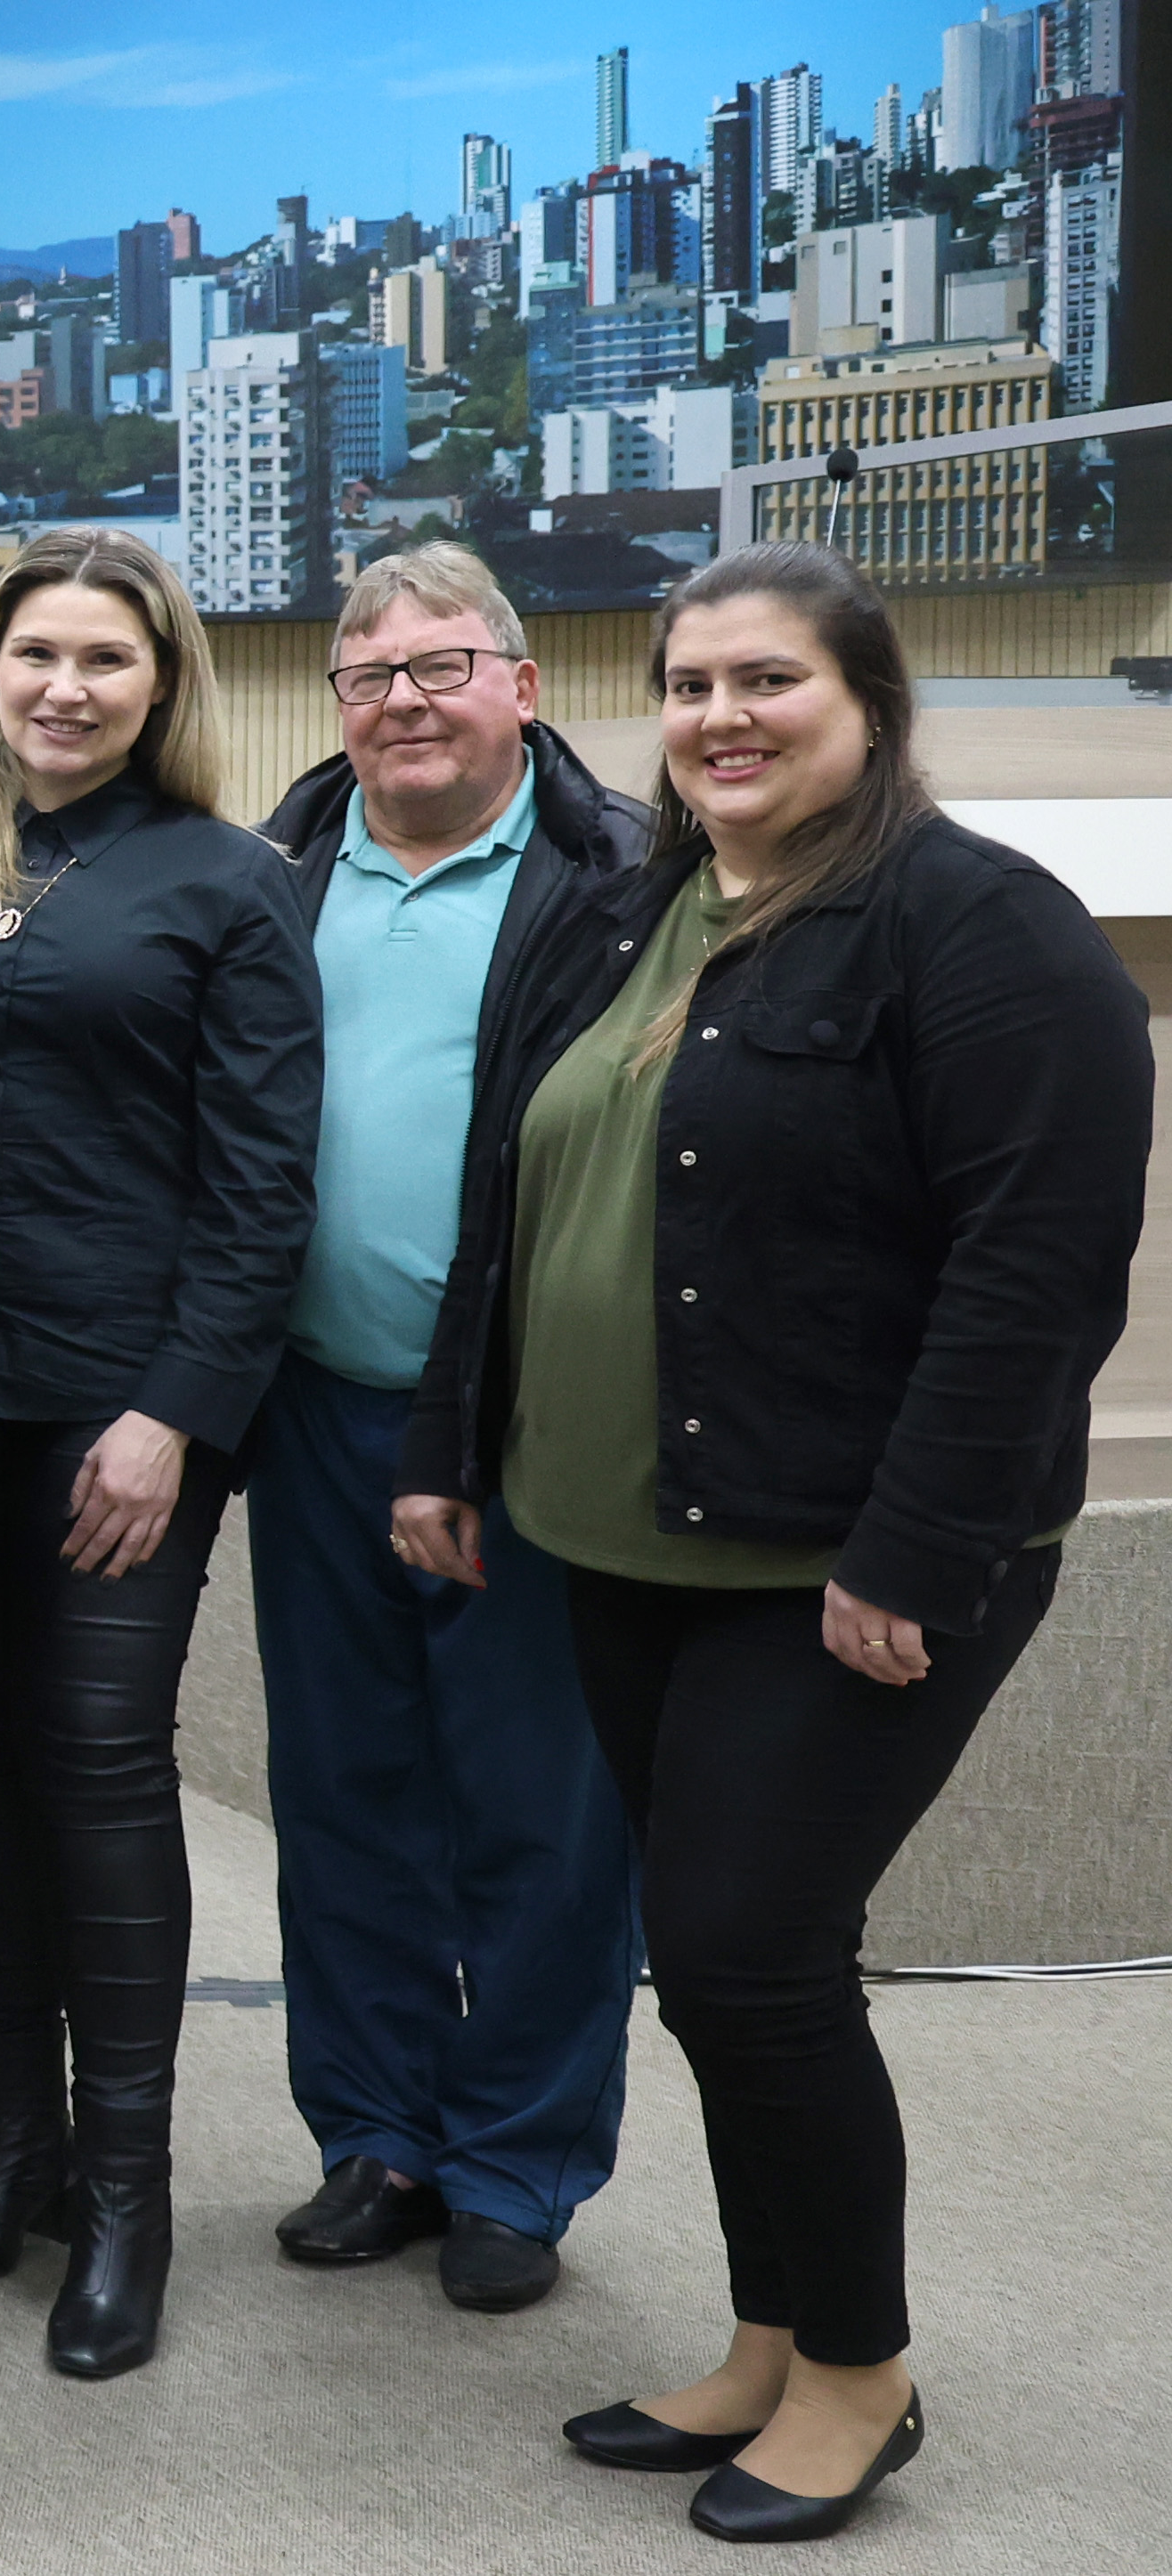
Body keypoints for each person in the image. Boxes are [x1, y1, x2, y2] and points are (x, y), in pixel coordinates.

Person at [399, 546, 1144, 2545]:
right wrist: (451, 1442)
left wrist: (915, 1547)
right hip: (623, 1540)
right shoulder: (629, 908)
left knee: (751, 1953)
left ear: (871, 704)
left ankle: (862, 2374)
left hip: (843, 1561)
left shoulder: (980, 926)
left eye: (768, 680)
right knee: (715, 1963)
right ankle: (770, 2333)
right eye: (690, 683)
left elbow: (1035, 1271)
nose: (720, 716)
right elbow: (513, 1196)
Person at [0, 532, 318, 2382]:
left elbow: (264, 1184)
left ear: (161, 681)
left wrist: (175, 1412)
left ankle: (129, 2199)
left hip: (128, 1408)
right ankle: (14, 2151)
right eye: (36, 651)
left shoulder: (231, 879)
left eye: (107, 657)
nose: (65, 686)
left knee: (101, 1763)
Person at [248, 545, 647, 2318]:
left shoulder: (624, 878)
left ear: (522, 687)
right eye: (370, 673)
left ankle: (515, 2162)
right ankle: (380, 2132)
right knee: (345, 1793)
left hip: (527, 1426)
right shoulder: (276, 870)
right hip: (314, 1407)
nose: (403, 699)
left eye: (442, 665)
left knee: (539, 1805)